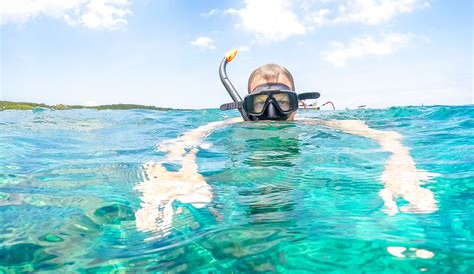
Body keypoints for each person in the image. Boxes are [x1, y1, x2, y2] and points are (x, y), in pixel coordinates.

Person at [135, 52, 438, 237]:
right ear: (244, 105)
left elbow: (386, 136)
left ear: (297, 102)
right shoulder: (226, 125)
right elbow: (183, 142)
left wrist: (400, 166)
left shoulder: (315, 123)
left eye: (281, 101)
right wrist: (181, 170)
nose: (271, 113)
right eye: (259, 103)